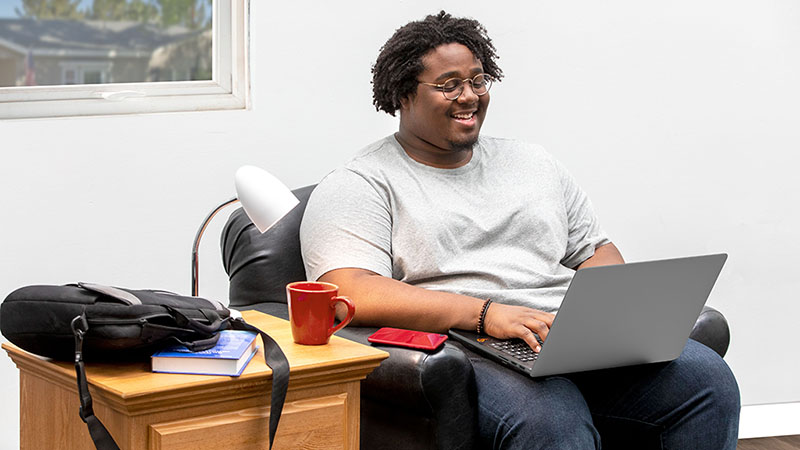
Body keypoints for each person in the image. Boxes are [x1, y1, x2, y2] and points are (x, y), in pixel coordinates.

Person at [300, 11, 740, 449]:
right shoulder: (361, 183)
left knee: (707, 381)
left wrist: (607, 316)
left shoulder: (533, 163)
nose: (469, 96)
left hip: (567, 335)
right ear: (402, 94)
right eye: (449, 85)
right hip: (471, 345)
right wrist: (487, 314)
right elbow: (350, 289)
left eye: (477, 80)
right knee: (551, 422)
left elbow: (594, 249)